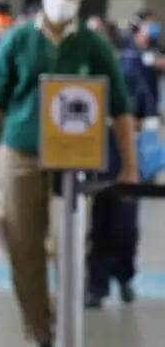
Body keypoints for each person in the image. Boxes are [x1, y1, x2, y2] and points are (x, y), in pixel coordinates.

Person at [0, 0, 137, 347]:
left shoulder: (95, 46)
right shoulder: (15, 43)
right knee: (24, 248)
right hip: (20, 154)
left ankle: (69, 327)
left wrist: (130, 166)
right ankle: (42, 334)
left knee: (68, 248)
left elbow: (120, 108)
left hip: (73, 161)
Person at [85, 18, 159, 308]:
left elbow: (146, 109)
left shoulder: (126, 70)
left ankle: (124, 276)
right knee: (100, 224)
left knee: (125, 226)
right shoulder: (82, 73)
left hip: (127, 158)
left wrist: (145, 148)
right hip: (96, 160)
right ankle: (97, 285)